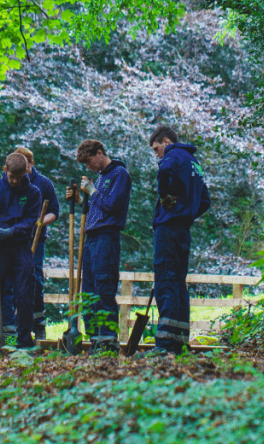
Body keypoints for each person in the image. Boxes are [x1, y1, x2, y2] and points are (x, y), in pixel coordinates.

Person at [147, 125, 210, 356]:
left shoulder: (172, 156)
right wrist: (188, 212)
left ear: (165, 141)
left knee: (165, 280)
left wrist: (164, 197)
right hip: (184, 229)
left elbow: (164, 172)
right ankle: (180, 342)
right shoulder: (194, 163)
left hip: (168, 228)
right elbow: (205, 201)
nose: (157, 154)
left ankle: (164, 345)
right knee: (179, 284)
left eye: (156, 149)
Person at [66, 139, 131, 353]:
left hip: (106, 237)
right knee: (90, 291)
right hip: (91, 238)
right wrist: (79, 200)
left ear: (100, 153)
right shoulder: (102, 177)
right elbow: (97, 208)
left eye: (89, 161)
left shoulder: (119, 174)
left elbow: (113, 205)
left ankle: (108, 340)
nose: (88, 167)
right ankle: (95, 338)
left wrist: (92, 191)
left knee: (104, 288)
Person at [0, 152, 42, 349]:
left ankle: (25, 341)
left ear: (27, 171)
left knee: (25, 293)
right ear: (5, 170)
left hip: (20, 246)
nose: (16, 181)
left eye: (20, 177)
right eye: (12, 177)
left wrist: (10, 231)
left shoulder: (33, 192)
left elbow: (30, 222)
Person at [14, 146, 60, 341]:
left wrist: (40, 221)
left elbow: (55, 211)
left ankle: (39, 324)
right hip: (16, 239)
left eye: (25, 164)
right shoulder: (12, 181)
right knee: (15, 281)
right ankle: (17, 324)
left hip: (36, 240)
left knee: (35, 280)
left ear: (31, 164)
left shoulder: (43, 183)